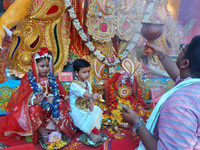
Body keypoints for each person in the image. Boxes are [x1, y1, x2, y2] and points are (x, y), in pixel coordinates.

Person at [100, 35, 200, 150]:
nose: (180, 51)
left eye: (183, 49)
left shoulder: (180, 104)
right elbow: (181, 76)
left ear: (184, 64)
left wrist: (137, 123)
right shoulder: (193, 87)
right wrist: (162, 54)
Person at [0, 47, 76, 146]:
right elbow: (24, 97)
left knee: (60, 103)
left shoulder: (51, 78)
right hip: (38, 105)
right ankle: (44, 135)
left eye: (47, 66)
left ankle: (56, 134)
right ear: (35, 65)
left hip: (52, 103)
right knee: (33, 109)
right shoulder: (29, 79)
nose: (45, 69)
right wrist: (34, 100)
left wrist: (62, 97)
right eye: (42, 66)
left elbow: (60, 89)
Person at [69, 59, 104, 143]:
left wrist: (91, 104)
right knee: (76, 115)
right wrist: (92, 96)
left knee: (97, 110)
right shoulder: (74, 84)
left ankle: (94, 130)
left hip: (85, 107)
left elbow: (90, 95)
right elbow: (84, 93)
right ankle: (91, 134)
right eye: (84, 72)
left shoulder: (87, 83)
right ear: (77, 73)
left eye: (88, 72)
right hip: (75, 108)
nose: (87, 74)